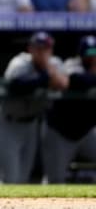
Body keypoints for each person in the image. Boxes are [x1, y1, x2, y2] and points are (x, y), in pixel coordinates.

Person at [0, 31, 68, 183]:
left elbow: (63, 84)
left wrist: (47, 71)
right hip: (10, 123)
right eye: (38, 48)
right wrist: (45, 77)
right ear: (30, 49)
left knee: (23, 177)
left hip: (32, 124)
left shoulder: (53, 63)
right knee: (10, 177)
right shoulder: (20, 62)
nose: (42, 52)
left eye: (46, 48)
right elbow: (16, 84)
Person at [42, 35, 96, 183]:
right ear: (81, 54)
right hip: (61, 132)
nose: (93, 57)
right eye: (89, 54)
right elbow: (76, 81)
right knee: (55, 181)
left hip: (86, 132)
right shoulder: (71, 64)